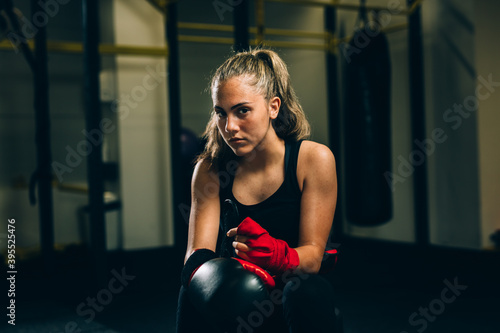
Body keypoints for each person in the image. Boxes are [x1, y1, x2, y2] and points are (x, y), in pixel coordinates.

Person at [176, 48, 338, 333]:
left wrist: (276, 256)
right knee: (193, 290)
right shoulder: (210, 169)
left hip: (292, 295)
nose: (230, 127)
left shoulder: (313, 160)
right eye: (220, 113)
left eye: (242, 111)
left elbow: (313, 256)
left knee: (308, 291)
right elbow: (196, 256)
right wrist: (228, 277)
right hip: (235, 299)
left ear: (273, 107)